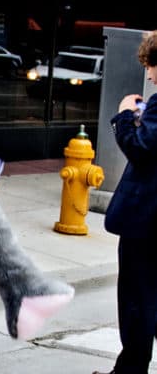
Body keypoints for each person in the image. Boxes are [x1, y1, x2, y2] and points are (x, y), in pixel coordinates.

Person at [94, 30, 157, 374]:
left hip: (145, 220)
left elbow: (143, 148)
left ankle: (130, 370)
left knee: (136, 299)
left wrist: (123, 116)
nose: (148, 74)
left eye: (151, 66)